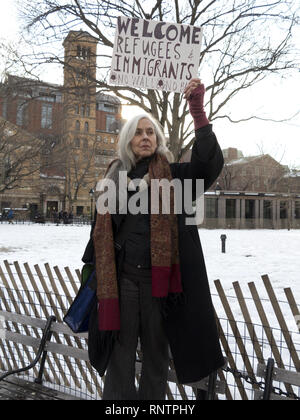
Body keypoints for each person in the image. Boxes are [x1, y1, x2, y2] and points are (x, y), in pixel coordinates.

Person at [82, 78, 225, 400]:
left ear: (157, 139)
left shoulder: (174, 176)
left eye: (150, 132)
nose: (144, 137)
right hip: (121, 284)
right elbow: (99, 235)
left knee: (156, 359)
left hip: (159, 286)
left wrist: (197, 111)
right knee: (119, 358)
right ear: (128, 140)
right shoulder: (112, 180)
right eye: (138, 132)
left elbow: (207, 164)